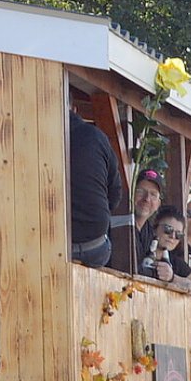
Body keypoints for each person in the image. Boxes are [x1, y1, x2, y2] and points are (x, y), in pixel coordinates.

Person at [69, 108, 125, 267]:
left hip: (47, 242)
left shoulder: (36, 136)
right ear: (74, 109)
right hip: (94, 246)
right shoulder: (96, 137)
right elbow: (115, 196)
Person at [139, 206, 191, 294]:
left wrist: (172, 278)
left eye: (178, 234)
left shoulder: (175, 262)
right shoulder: (140, 250)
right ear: (155, 228)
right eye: (168, 230)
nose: (173, 237)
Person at [133, 169, 164, 266]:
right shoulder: (118, 224)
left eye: (153, 195)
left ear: (158, 204)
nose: (146, 199)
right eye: (141, 191)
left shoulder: (151, 235)